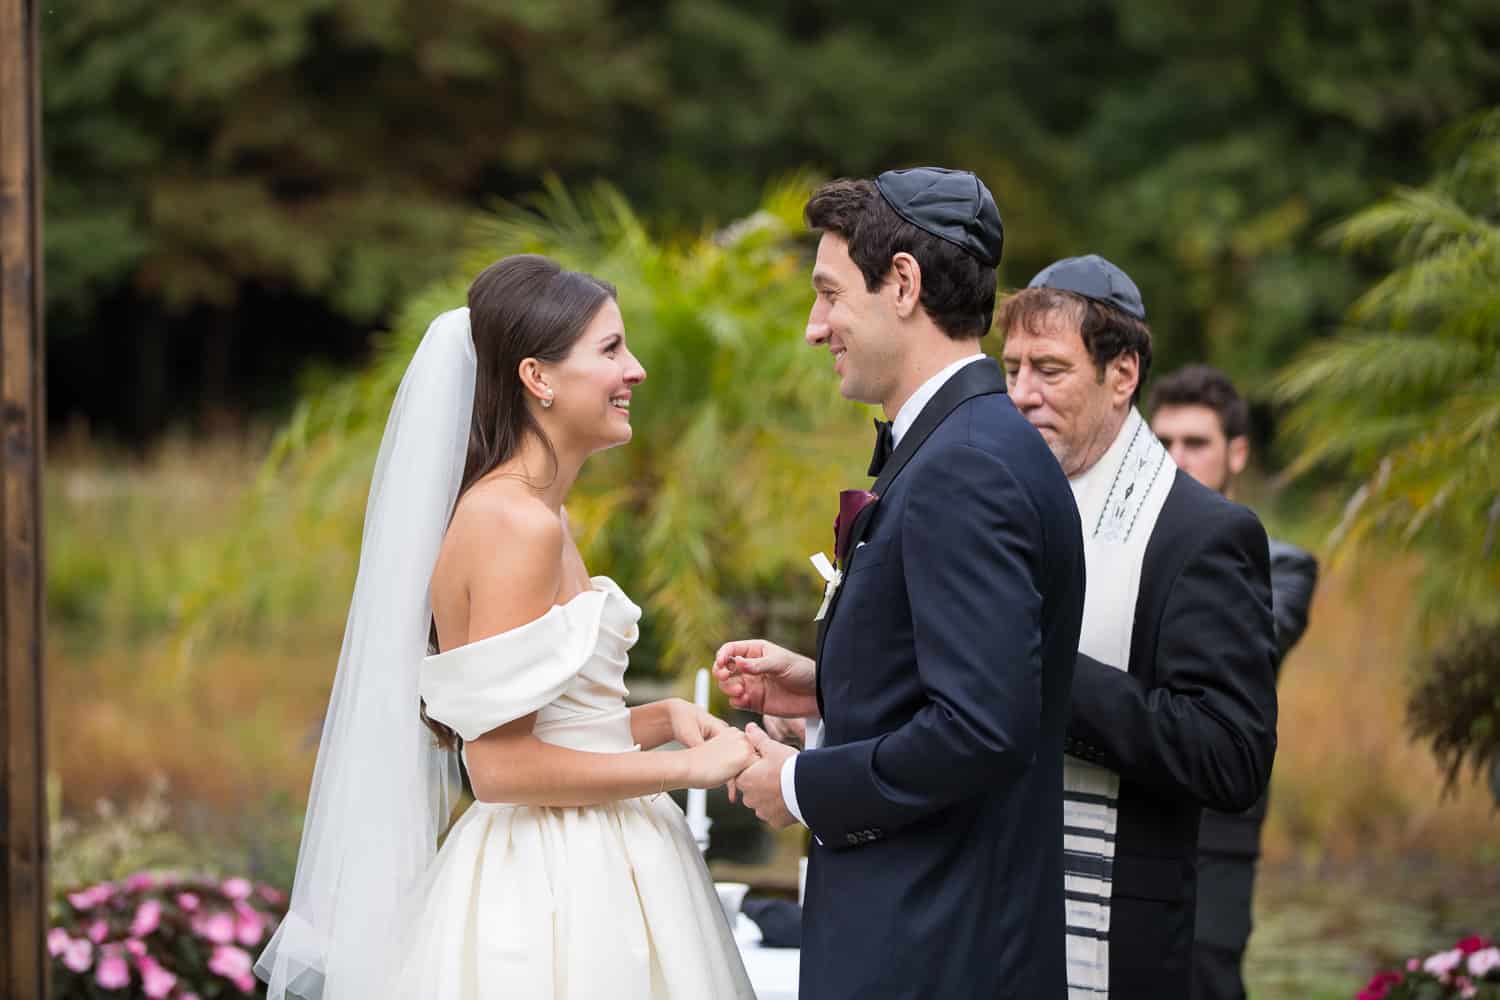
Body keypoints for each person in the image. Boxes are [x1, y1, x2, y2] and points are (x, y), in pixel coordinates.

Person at [255, 255, 757, 1000]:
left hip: (595, 854)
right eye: (611, 349)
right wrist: (687, 772)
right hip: (553, 889)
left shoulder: (542, 515)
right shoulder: (515, 524)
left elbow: (556, 724)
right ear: (537, 377)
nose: (636, 370)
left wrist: (664, 719)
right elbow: (500, 768)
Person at [716, 168, 1087, 1000]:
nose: (815, 327)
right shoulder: (968, 443)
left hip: (938, 953)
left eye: (830, 294)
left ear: (905, 284)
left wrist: (798, 785)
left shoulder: (968, 465)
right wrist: (830, 688)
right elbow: (965, 681)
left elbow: (979, 731)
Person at [997, 255, 1279, 1000]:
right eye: (1012, 368)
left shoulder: (1201, 532)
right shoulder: (999, 506)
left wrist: (1043, 670)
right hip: (987, 912)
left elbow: (1232, 755)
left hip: (1114, 942)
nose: (1021, 393)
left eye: (1049, 370)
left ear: (1122, 375)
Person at [1149, 364, 1318, 1000]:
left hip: (1218, 830)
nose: (1177, 458)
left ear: (1237, 453)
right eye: (1163, 442)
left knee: (1208, 982)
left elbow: (1244, 651)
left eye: (1196, 443)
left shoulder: (1285, 565)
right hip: (1127, 808)